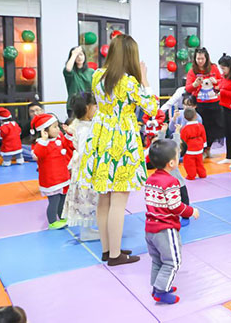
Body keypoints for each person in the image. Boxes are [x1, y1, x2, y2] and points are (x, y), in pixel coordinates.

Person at [78, 34, 158, 266]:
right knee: (119, 200)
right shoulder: (129, 82)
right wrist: (145, 79)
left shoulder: (97, 76)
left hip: (100, 136)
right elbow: (152, 108)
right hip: (122, 140)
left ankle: (108, 250)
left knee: (104, 198)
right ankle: (115, 255)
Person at [144, 139, 199, 305]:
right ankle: (161, 291)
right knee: (173, 261)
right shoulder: (171, 182)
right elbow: (175, 207)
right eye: (177, 154)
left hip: (150, 228)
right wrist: (191, 211)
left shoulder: (150, 179)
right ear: (172, 163)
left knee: (157, 260)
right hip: (165, 229)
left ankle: (157, 286)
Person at [62, 93, 99, 241]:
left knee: (87, 199)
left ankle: (88, 230)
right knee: (86, 199)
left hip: (83, 167)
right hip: (86, 168)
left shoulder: (80, 123)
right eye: (95, 106)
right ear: (87, 108)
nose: (97, 108)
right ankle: (86, 231)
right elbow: (85, 151)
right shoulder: (84, 128)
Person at [31, 113, 73, 230]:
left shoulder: (59, 138)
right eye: (54, 127)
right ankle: (52, 222)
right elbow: (38, 154)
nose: (58, 129)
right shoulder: (40, 144)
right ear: (44, 131)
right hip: (51, 180)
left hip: (62, 176)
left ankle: (62, 217)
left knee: (63, 199)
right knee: (54, 201)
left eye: (57, 126)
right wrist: (44, 140)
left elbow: (68, 145)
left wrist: (68, 133)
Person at [185, 47, 224, 158]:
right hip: (200, 104)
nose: (200, 61)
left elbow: (222, 82)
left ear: (206, 58)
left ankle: (208, 149)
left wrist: (216, 82)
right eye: (198, 58)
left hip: (214, 103)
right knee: (201, 127)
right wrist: (195, 84)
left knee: (215, 127)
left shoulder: (213, 68)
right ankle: (200, 150)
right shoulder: (192, 71)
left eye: (202, 58)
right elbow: (188, 88)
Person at [64, 46, 94, 116]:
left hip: (88, 106)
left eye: (81, 54)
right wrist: (74, 53)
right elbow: (68, 69)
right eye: (77, 55)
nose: (79, 57)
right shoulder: (71, 72)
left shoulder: (91, 72)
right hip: (73, 106)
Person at [180, 108, 207, 180]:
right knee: (200, 162)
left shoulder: (185, 129)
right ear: (196, 116)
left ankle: (191, 176)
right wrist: (204, 145)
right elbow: (204, 136)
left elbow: (183, 140)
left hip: (189, 149)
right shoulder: (200, 126)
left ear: (184, 117)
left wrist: (182, 149)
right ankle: (202, 174)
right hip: (199, 148)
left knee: (189, 164)